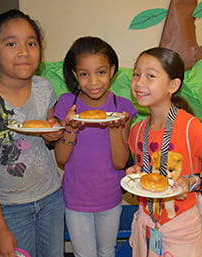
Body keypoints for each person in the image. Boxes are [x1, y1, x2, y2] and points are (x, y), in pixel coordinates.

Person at [0, 9, 65, 257]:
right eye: (11, 43)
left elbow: (49, 135)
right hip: (10, 207)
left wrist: (54, 135)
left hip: (51, 197)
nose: (24, 51)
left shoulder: (44, 88)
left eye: (31, 42)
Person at [126, 47, 202, 257]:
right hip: (146, 221)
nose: (139, 83)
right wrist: (135, 173)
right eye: (136, 74)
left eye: (150, 76)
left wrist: (191, 182)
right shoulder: (137, 130)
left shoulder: (191, 127)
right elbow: (145, 170)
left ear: (173, 85)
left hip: (182, 225)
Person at [53, 36, 138, 257]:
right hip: (75, 197)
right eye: (84, 74)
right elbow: (61, 158)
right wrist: (71, 127)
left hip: (110, 196)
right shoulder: (66, 104)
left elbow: (120, 162)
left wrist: (113, 128)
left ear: (112, 71)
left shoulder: (123, 107)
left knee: (107, 252)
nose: (93, 81)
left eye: (100, 72)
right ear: (74, 75)